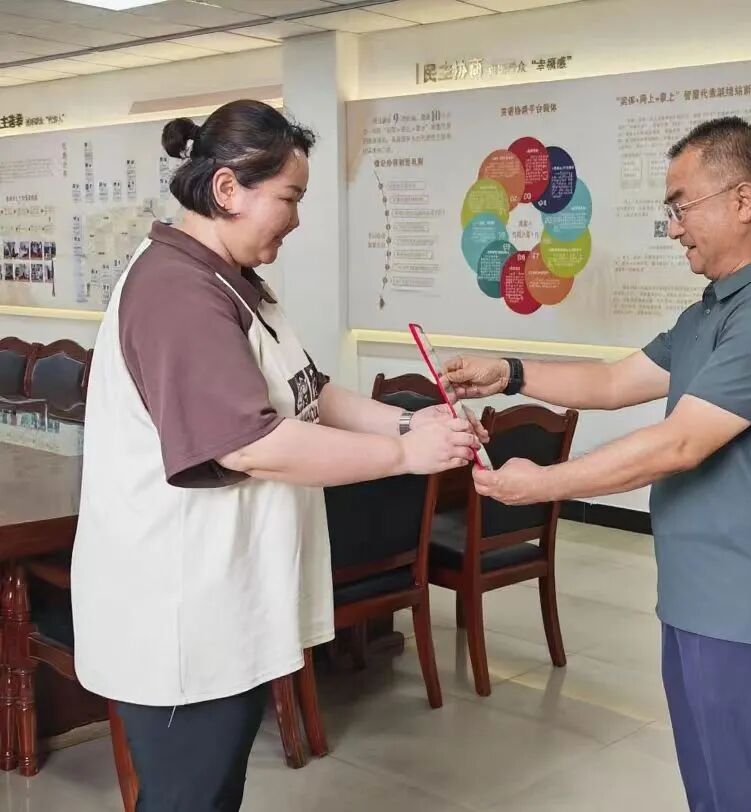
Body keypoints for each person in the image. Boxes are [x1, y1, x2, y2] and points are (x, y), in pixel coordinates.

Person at [70, 100, 481, 812]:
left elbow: (307, 390)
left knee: (211, 794)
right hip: (179, 613)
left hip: (222, 601)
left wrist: (409, 420)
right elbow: (251, 443)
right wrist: (403, 455)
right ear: (227, 188)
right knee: (188, 798)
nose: (295, 219)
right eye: (289, 198)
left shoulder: (230, 278)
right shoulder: (176, 290)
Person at [445, 116, 751, 811]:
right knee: (715, 795)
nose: (674, 227)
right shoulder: (711, 312)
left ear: (742, 200)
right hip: (697, 598)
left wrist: (542, 485)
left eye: (682, 206)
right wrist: (507, 372)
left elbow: (680, 443)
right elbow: (610, 382)